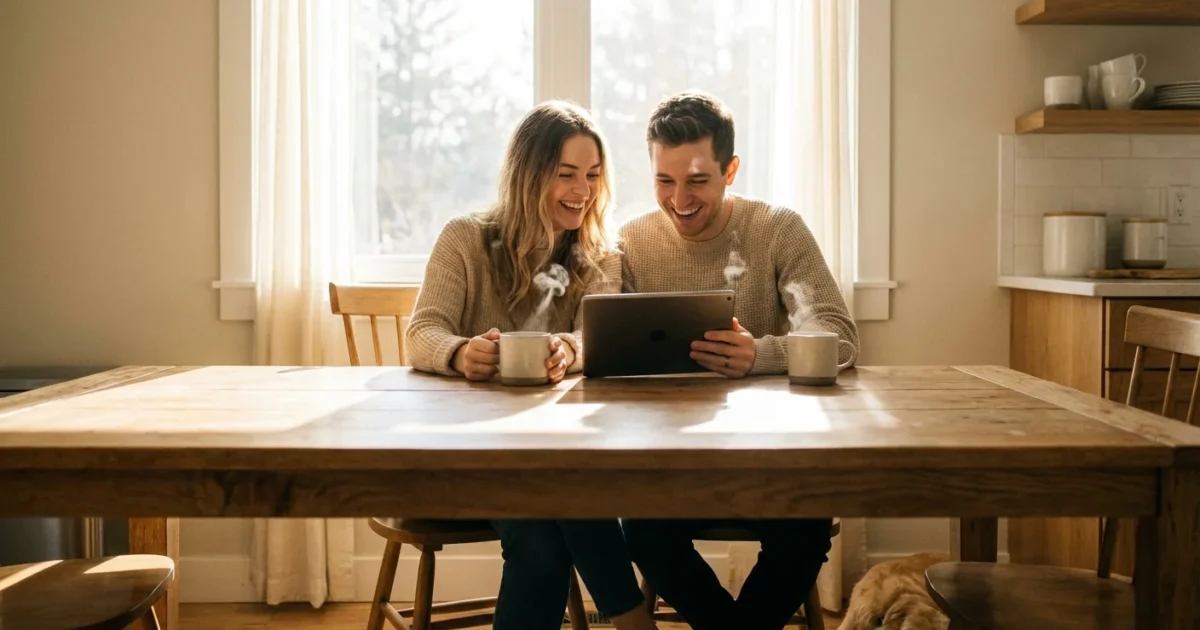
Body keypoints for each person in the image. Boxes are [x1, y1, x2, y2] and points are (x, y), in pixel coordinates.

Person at [405, 101, 656, 630]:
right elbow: (423, 331)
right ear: (527, 174)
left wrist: (570, 348)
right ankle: (635, 620)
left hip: (562, 457)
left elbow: (602, 335)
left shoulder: (598, 251)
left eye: (592, 176)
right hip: (470, 452)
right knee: (555, 512)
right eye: (565, 174)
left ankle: (633, 621)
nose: (582, 191)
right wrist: (458, 352)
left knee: (553, 512)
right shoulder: (465, 238)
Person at [617, 91, 859, 630]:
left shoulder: (776, 229)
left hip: (768, 456)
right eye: (664, 181)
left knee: (805, 531)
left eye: (698, 180)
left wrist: (764, 353)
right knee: (639, 529)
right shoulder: (630, 242)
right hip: (668, 459)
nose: (679, 199)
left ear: (730, 170)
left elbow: (839, 337)